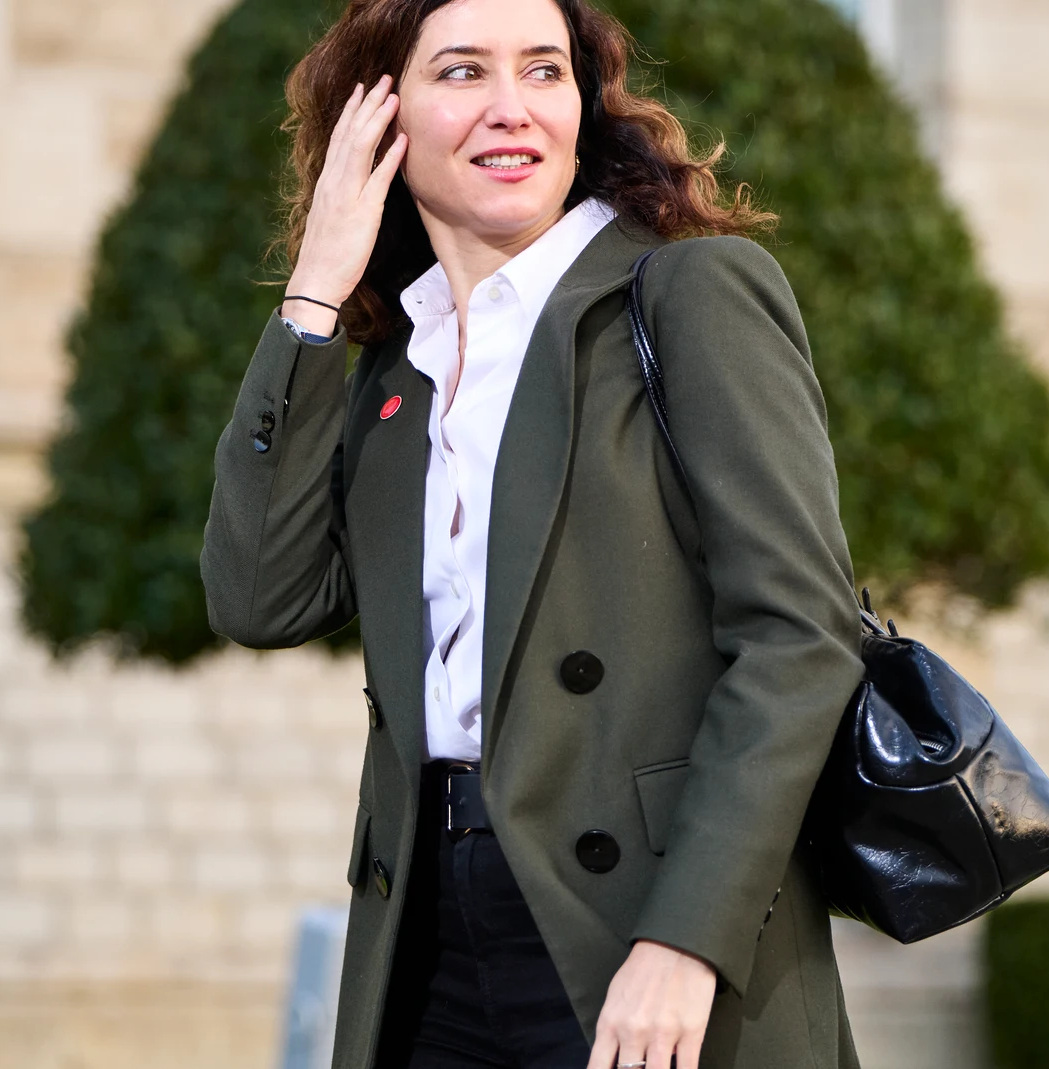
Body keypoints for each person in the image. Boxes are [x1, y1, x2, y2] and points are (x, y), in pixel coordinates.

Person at [201, 0, 864, 1065]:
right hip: (427, 928)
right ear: (380, 120)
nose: (513, 110)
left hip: (640, 926)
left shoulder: (687, 292)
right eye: (463, 73)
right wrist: (313, 294)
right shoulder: (393, 371)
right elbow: (259, 596)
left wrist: (685, 938)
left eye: (543, 71)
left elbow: (798, 640)